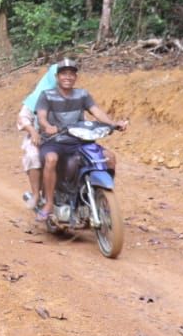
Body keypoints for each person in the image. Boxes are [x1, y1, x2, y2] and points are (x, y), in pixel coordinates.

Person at [35, 58, 128, 221]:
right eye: (64, 74)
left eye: (71, 74)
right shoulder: (46, 95)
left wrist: (113, 124)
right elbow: (41, 116)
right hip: (54, 141)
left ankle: (100, 195)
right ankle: (49, 203)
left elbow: (96, 112)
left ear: (76, 77)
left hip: (79, 141)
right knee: (50, 159)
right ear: (57, 77)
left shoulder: (82, 94)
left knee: (110, 158)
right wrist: (47, 126)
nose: (68, 77)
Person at [16, 64, 58, 209]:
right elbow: (22, 117)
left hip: (65, 138)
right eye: (58, 75)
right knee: (33, 155)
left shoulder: (70, 95)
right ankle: (36, 194)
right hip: (41, 137)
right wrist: (33, 132)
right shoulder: (37, 97)